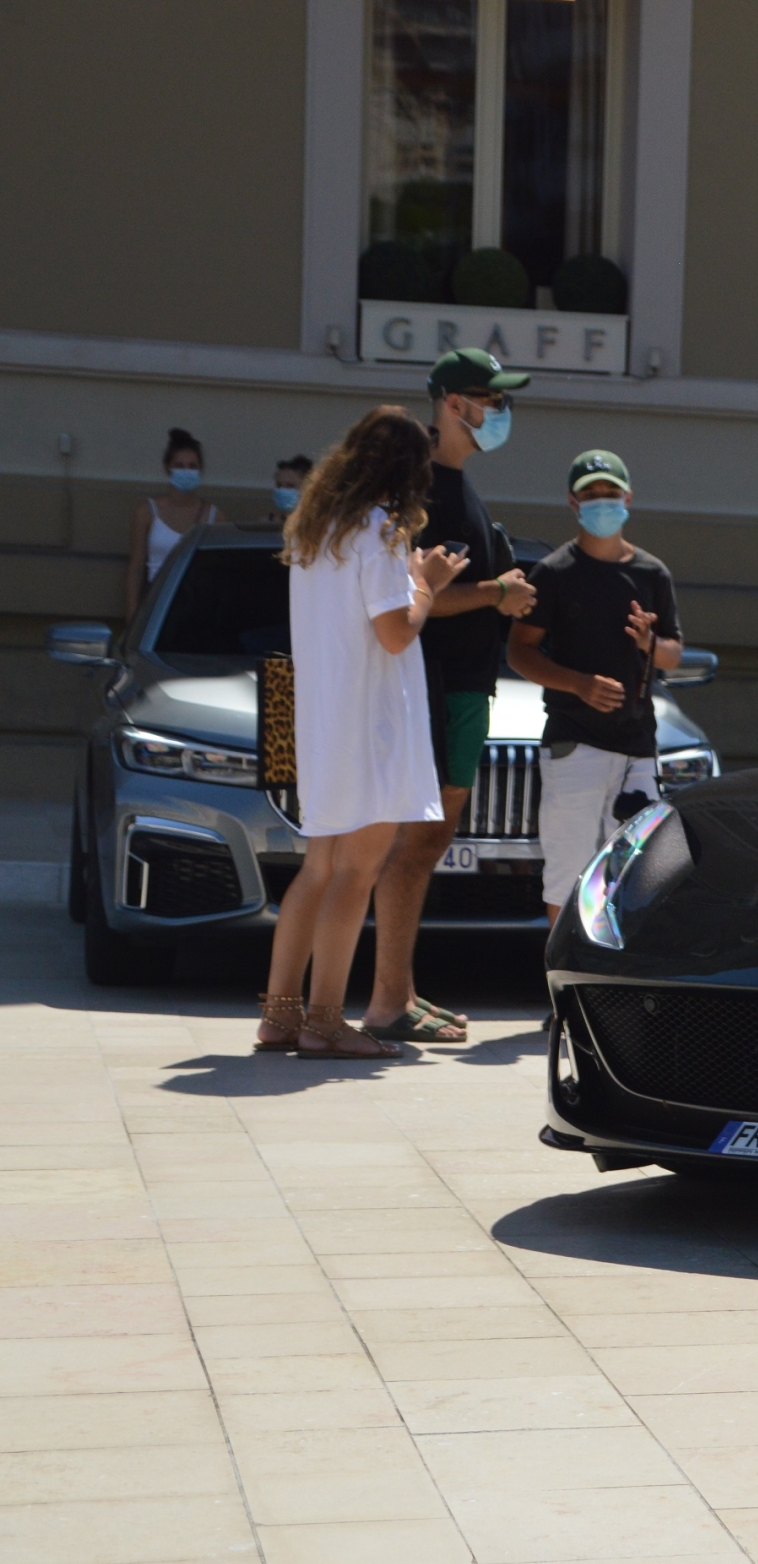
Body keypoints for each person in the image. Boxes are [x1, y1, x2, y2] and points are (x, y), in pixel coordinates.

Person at [254, 408, 463, 1059]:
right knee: (357, 871)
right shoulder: (380, 530)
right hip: (368, 726)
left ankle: (280, 1016)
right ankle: (324, 1020)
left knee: (319, 868)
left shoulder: (317, 529)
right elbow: (396, 631)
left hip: (320, 719)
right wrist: (427, 584)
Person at [361, 350, 538, 1044]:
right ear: (451, 403)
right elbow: (417, 597)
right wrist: (498, 593)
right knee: (415, 842)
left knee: (429, 841)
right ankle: (384, 1002)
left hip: (464, 688)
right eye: (489, 397)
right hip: (435, 690)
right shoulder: (423, 487)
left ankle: (399, 991)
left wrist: (503, 592)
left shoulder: (459, 484)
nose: (499, 410)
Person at [507, 451, 682, 925]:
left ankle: (611, 987)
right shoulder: (555, 572)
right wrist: (578, 684)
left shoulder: (652, 574)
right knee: (567, 876)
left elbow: (673, 653)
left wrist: (650, 642)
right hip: (574, 742)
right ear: (572, 502)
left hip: (637, 749)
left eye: (610, 493)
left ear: (627, 498)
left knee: (633, 876)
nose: (602, 502)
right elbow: (520, 651)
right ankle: (563, 990)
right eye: (591, 494)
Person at [127, 428, 221, 618]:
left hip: (197, 608)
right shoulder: (146, 512)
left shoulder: (215, 516)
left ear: (200, 469)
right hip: (156, 606)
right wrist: (132, 615)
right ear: (167, 468)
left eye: (192, 466)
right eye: (179, 465)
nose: (186, 471)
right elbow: (136, 567)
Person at [257, 455, 312, 530]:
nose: (282, 490)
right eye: (279, 485)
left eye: (290, 486)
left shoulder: (317, 527)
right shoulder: (267, 522)